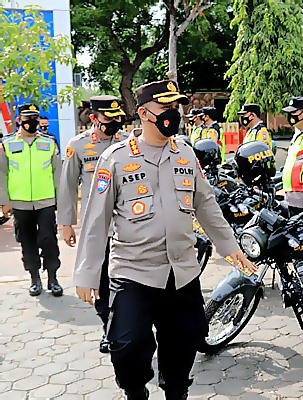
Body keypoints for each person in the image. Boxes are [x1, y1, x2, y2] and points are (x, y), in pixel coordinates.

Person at [73, 80, 255, 400]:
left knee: (189, 336)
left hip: (181, 270)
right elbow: (95, 221)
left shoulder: (185, 153)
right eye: (165, 107)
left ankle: (176, 392)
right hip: (133, 270)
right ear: (144, 113)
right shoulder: (115, 159)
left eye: (175, 107)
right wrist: (87, 273)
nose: (173, 113)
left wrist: (231, 247)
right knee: (126, 346)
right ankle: (135, 391)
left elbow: (206, 204)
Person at [58, 95, 126, 353]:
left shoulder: (127, 144)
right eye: (109, 118)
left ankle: (123, 325)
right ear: (94, 118)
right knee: (100, 280)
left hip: (126, 227)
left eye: (117, 117)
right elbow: (66, 186)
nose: (114, 123)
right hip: (96, 228)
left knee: (124, 280)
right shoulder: (79, 145)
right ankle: (108, 328)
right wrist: (66, 224)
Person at [0, 104, 62, 296]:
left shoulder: (50, 142)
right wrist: (5, 201)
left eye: (35, 118)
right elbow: (2, 174)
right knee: (26, 241)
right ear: (19, 120)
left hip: (46, 201)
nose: (32, 122)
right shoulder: (7, 143)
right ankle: (34, 278)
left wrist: (60, 199)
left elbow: (57, 172)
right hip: (19, 202)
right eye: (27, 119)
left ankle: (53, 277)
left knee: (49, 239)